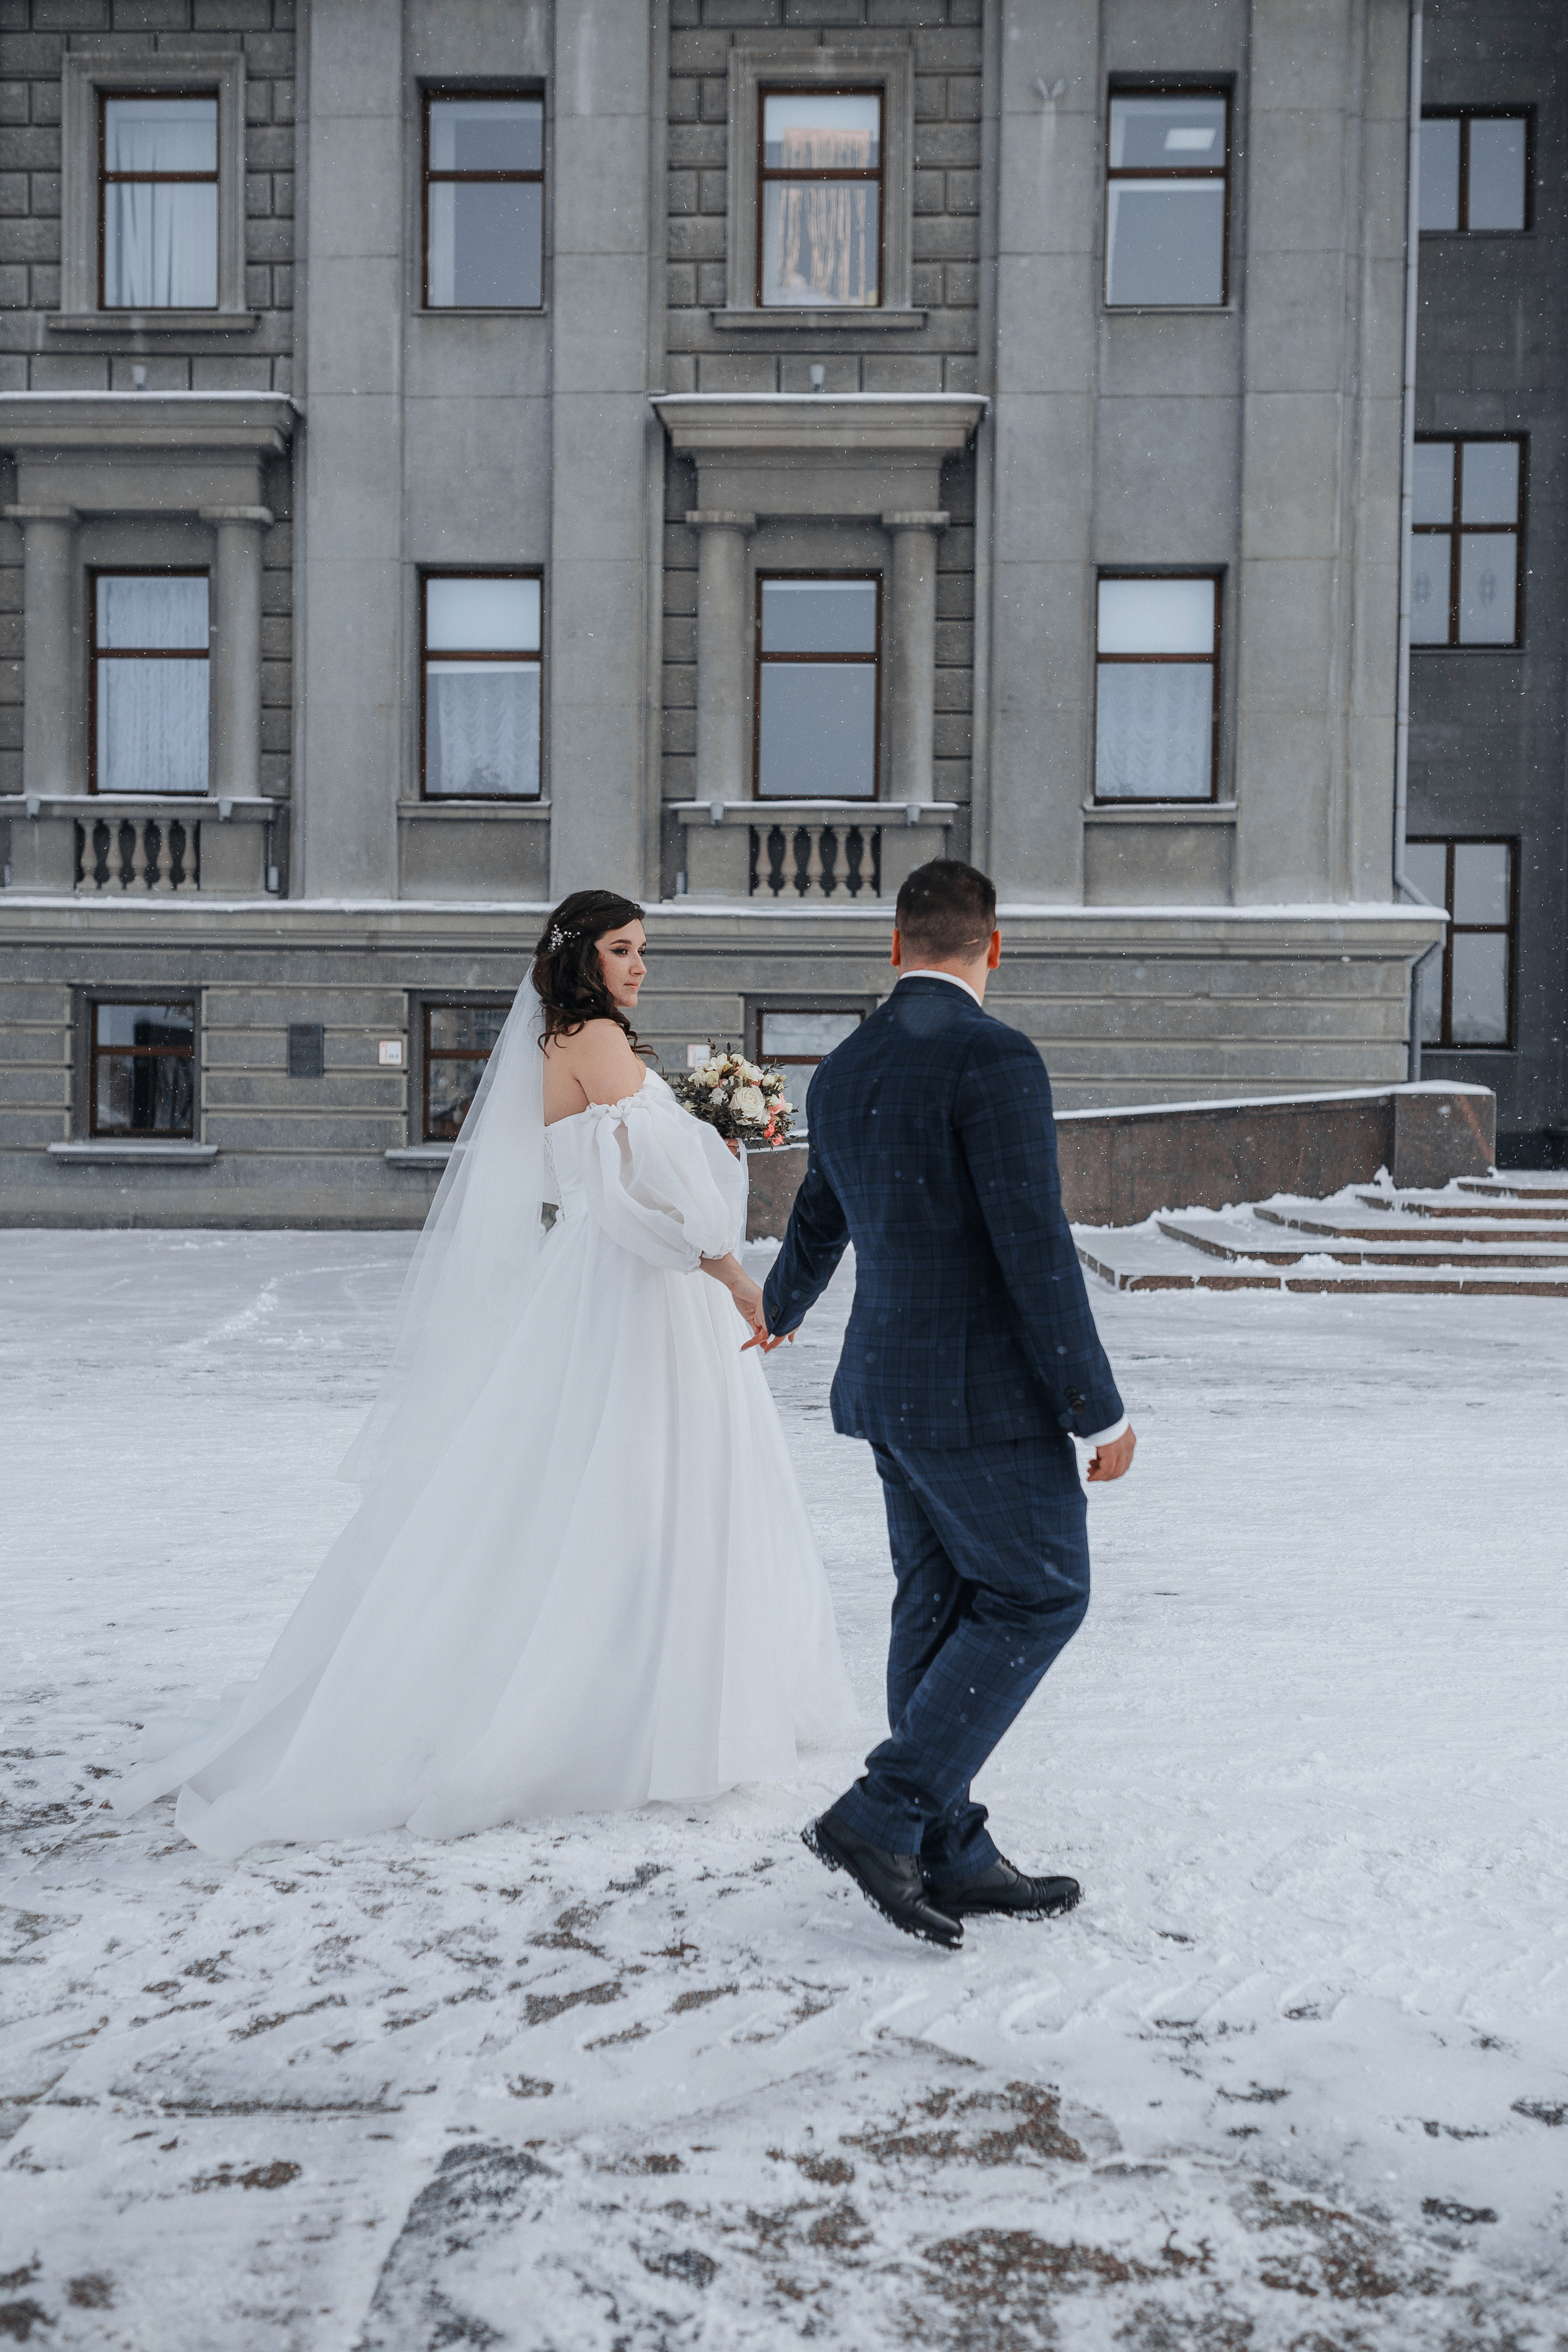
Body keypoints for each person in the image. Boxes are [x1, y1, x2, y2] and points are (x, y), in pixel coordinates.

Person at [112, 890, 856, 1858]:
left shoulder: (561, 1040)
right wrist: (732, 1274)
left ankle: (624, 1685)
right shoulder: (595, 1040)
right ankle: (638, 1709)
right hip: (640, 1289)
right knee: (649, 1483)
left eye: (643, 950)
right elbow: (650, 1197)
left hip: (600, 1280)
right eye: (623, 949)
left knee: (596, 1483)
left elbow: (593, 1177)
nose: (639, 966)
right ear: (581, 957)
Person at [761, 860, 1135, 1950]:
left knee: (936, 1605)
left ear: (895, 945)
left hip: (890, 1391)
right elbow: (1034, 1245)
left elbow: (821, 1214)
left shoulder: (844, 1070)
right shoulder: (996, 1057)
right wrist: (1096, 1411)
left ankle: (947, 1847)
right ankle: (884, 1813)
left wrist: (780, 1306)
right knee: (1040, 1595)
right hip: (981, 1404)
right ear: (993, 947)